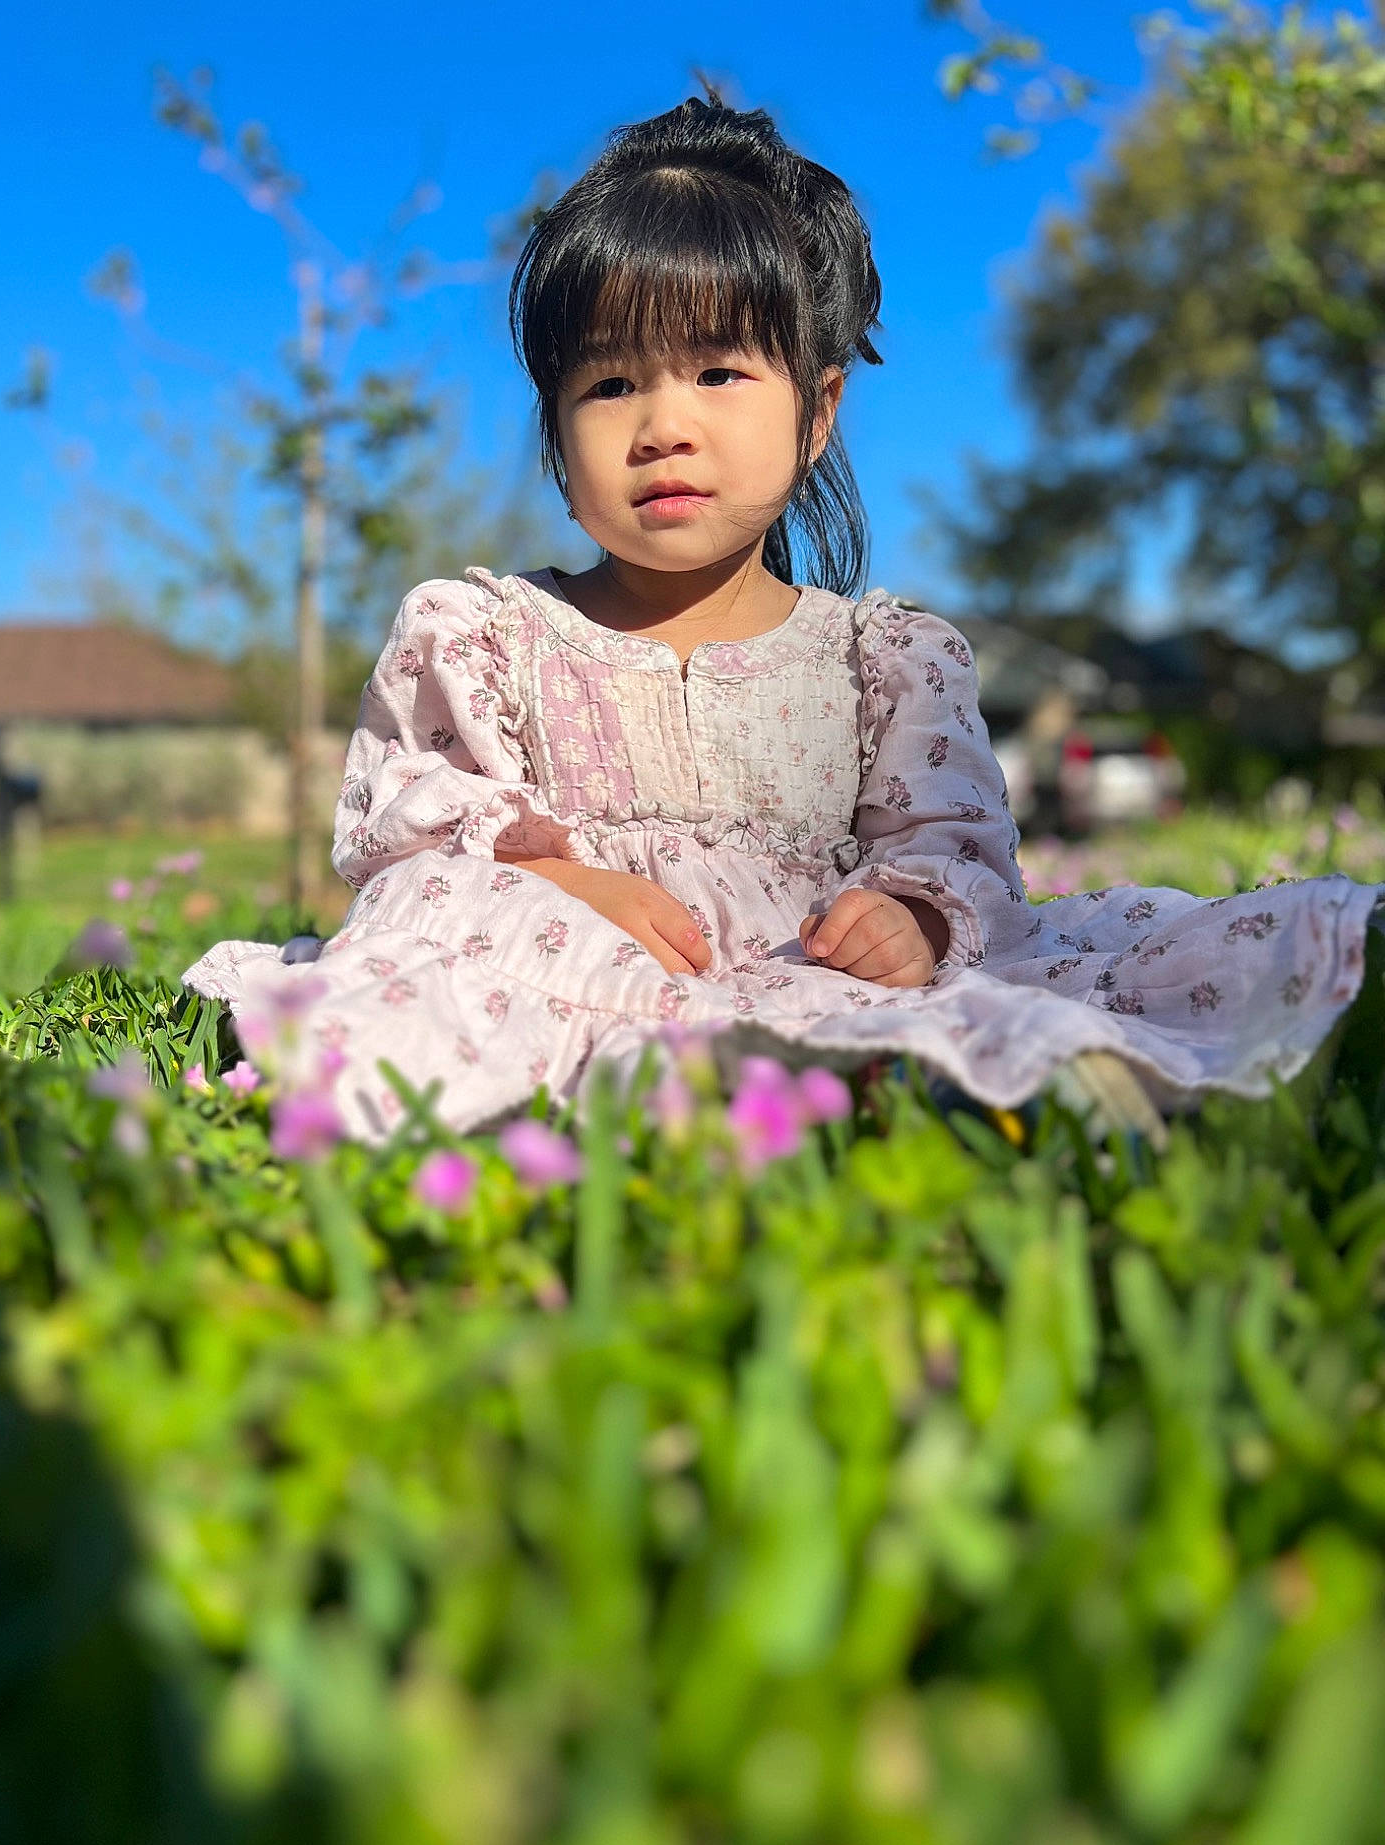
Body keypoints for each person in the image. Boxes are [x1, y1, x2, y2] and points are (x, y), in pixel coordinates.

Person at [185, 92, 1381, 1143]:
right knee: (441, 915)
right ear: (557, 436)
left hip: (817, 959)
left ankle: (945, 1079)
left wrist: (911, 917)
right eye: (608, 383)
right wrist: (568, 885)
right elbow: (423, 840)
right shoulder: (484, 634)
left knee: (1094, 962)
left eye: (716, 373)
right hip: (575, 952)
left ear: (817, 411)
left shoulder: (885, 660)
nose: (662, 424)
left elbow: (948, 847)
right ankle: (622, 1086)